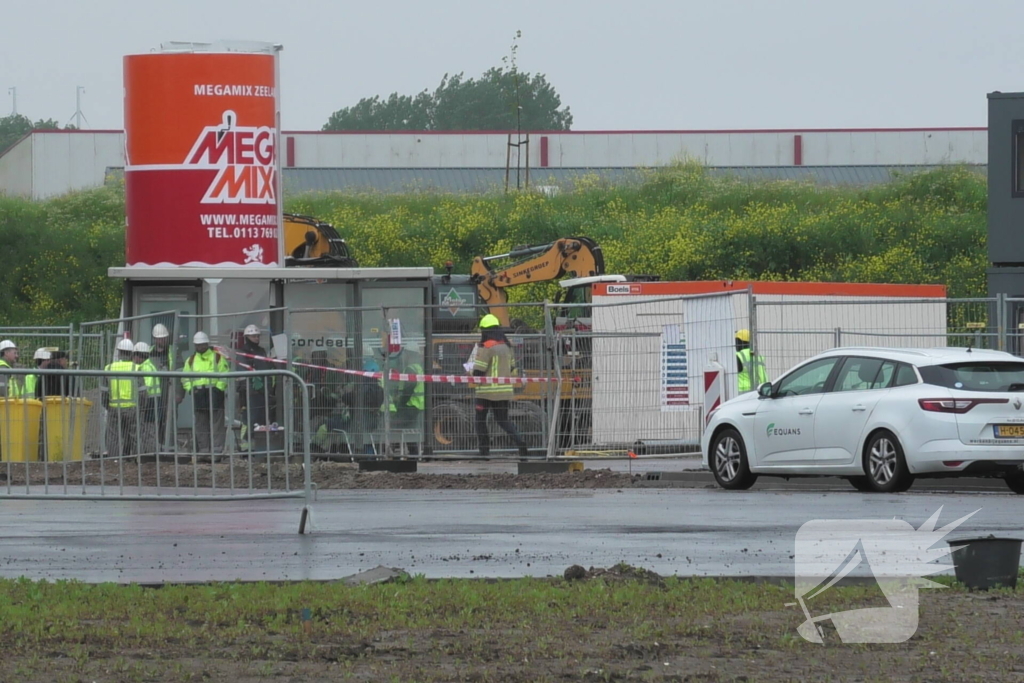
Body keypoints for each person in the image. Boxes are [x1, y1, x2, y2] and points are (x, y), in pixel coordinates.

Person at [470, 314, 529, 458]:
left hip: (485, 392)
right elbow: (513, 368)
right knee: (503, 420)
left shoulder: (487, 347)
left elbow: (479, 370)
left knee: (480, 420)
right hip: (504, 391)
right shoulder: (507, 346)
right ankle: (520, 442)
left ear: (485, 331)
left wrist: (470, 372)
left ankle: (484, 452)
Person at [182, 331, 230, 457]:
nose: (200, 347)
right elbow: (185, 377)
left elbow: (225, 374)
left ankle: (217, 451)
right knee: (201, 424)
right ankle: (204, 451)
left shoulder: (217, 357)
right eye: (198, 345)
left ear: (207, 344)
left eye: (202, 344)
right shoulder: (191, 360)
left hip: (214, 392)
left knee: (216, 424)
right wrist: (190, 389)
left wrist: (219, 389)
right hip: (199, 393)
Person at [102, 338, 139, 458]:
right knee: (134, 434)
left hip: (113, 407)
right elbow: (143, 392)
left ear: (118, 352)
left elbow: (104, 392)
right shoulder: (136, 368)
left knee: (113, 436)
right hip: (132, 408)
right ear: (131, 353)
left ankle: (114, 460)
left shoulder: (108, 368)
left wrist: (107, 406)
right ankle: (136, 458)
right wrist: (140, 406)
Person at [148, 323, 183, 449]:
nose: (161, 340)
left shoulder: (174, 352)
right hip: (153, 393)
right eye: (159, 338)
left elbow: (180, 374)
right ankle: (155, 447)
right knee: (154, 420)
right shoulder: (149, 353)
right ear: (154, 338)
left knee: (170, 420)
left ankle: (170, 446)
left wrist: (179, 393)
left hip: (170, 391)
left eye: (163, 338)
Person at [237, 324, 271, 449]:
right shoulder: (242, 352)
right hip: (248, 392)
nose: (256, 338)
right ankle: (245, 447)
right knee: (248, 420)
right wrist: (245, 389)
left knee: (260, 420)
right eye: (253, 336)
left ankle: (258, 447)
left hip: (262, 391)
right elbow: (241, 373)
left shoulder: (261, 351)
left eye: (257, 336)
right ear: (247, 337)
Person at [132, 342, 159, 456]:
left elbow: (144, 388)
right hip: (153, 400)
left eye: (134, 356)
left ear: (138, 356)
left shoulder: (144, 368)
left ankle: (150, 454)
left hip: (148, 401)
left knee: (147, 430)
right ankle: (150, 453)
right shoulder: (149, 365)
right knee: (149, 429)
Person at [735, 329, 769, 393]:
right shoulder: (757, 356)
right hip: (757, 390)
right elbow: (763, 376)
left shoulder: (737, 356)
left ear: (740, 342)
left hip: (741, 392)